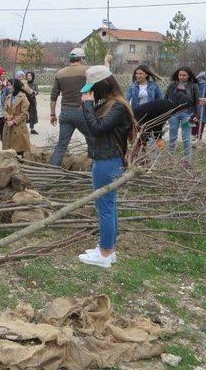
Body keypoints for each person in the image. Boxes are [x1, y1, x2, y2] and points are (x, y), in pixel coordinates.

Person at [78, 65, 136, 268]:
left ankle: (104, 254)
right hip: (105, 159)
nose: (89, 93)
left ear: (102, 85)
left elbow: (97, 128)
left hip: (108, 160)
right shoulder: (109, 104)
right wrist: (89, 107)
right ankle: (108, 249)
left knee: (106, 207)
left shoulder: (118, 106)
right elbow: (92, 127)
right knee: (106, 206)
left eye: (92, 88)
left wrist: (87, 106)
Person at [49, 48, 91, 166]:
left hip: (66, 113)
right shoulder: (87, 71)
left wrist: (52, 114)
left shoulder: (60, 73)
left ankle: (51, 170)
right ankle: (93, 168)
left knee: (61, 145)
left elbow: (53, 96)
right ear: (81, 58)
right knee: (92, 139)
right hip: (82, 112)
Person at [165, 67, 199, 166]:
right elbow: (166, 98)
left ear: (189, 76)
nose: (181, 77)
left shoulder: (194, 86)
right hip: (173, 115)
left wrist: (197, 115)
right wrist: (165, 113)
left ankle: (187, 160)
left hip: (188, 115)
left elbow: (197, 102)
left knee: (186, 137)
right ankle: (170, 159)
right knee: (172, 137)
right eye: (180, 75)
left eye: (184, 75)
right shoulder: (172, 85)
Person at [2, 78, 31, 157]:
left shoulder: (23, 97)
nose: (8, 87)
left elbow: (24, 113)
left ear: (15, 86)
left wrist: (14, 121)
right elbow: (4, 110)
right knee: (8, 151)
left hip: (18, 128)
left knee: (18, 151)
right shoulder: (8, 97)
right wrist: (7, 117)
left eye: (10, 85)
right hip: (8, 127)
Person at [194, 71, 206, 140]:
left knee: (194, 118)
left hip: (195, 104)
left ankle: (192, 135)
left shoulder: (195, 84)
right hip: (203, 105)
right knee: (201, 120)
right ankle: (198, 136)